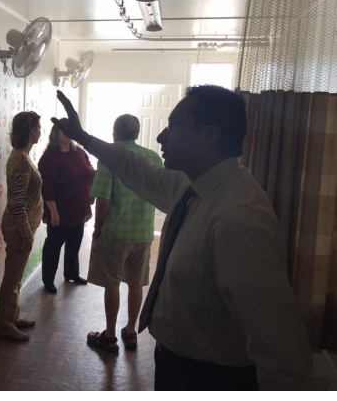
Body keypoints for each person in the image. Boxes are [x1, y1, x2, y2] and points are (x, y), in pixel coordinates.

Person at [53, 86, 327, 390]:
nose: (161, 137)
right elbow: (137, 170)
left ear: (209, 134)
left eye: (174, 125)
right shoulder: (193, 187)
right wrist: (84, 138)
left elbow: (281, 351)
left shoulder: (238, 219)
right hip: (179, 367)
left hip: (210, 381)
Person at [87, 114, 162, 353]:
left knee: (112, 283)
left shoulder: (110, 156)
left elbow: (103, 200)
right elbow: (158, 191)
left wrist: (97, 228)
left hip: (116, 233)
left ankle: (109, 336)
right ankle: (130, 331)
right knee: (136, 283)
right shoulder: (152, 157)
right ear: (137, 133)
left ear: (115, 132)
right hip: (143, 232)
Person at [0, 111, 43, 342]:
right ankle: (5, 326)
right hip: (18, 228)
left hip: (21, 227)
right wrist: (26, 232)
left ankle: (13, 317)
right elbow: (16, 202)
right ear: (31, 131)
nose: (41, 131)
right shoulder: (21, 161)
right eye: (38, 127)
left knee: (16, 276)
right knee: (12, 278)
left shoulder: (22, 156)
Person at [37, 118, 94, 294]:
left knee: (74, 243)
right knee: (53, 246)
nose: (69, 133)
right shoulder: (50, 157)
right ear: (56, 132)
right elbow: (46, 187)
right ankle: (48, 280)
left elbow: (90, 172)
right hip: (60, 211)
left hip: (79, 208)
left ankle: (71, 273)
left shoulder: (79, 152)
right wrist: (53, 211)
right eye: (65, 130)